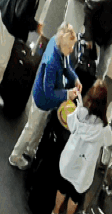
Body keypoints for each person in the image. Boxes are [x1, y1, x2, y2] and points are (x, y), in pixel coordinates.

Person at [9, 23, 80, 169]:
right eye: (70, 47)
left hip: (47, 101)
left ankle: (30, 150)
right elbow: (49, 91)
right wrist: (67, 94)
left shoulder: (57, 42)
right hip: (42, 99)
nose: (72, 50)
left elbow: (67, 66)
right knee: (31, 128)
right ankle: (15, 156)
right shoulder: (52, 62)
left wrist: (75, 79)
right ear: (63, 44)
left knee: (39, 126)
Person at [53, 81, 112, 214]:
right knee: (75, 197)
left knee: (62, 189)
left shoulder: (79, 113)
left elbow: (69, 123)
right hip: (83, 170)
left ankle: (55, 213)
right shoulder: (103, 129)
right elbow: (110, 142)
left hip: (69, 161)